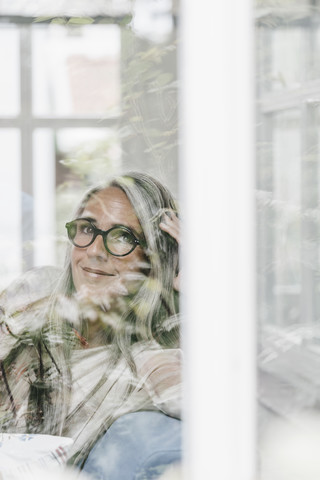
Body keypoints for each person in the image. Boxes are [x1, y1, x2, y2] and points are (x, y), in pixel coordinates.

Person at [0, 172, 182, 478]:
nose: (95, 250)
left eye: (122, 236)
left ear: (153, 257)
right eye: (87, 229)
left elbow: (213, 414)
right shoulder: (34, 291)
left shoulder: (148, 357)